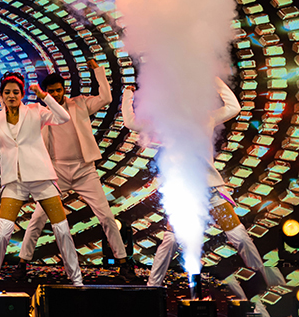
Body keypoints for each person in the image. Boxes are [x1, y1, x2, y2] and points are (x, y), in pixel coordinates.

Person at [121, 81, 285, 315]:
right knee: (172, 240)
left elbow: (234, 107)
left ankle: (261, 280)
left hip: (209, 190)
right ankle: (152, 288)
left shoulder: (205, 117)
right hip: (186, 192)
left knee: (237, 236)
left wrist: (215, 80)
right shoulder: (166, 121)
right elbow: (131, 123)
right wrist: (128, 93)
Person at [0, 71, 82, 300]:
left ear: (22, 94)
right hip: (14, 181)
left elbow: (63, 117)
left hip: (41, 177)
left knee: (62, 230)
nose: (12, 95)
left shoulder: (35, 111)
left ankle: (77, 280)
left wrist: (44, 96)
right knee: (2, 234)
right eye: (7, 92)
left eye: (16, 92)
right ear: (2, 96)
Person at [18, 60, 135, 278]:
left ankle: (123, 262)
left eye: (58, 90)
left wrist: (97, 70)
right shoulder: (42, 113)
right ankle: (23, 262)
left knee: (106, 216)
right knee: (38, 217)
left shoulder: (79, 104)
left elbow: (106, 98)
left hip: (84, 170)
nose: (56, 94)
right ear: (45, 93)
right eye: (51, 91)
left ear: (64, 90)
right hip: (57, 172)